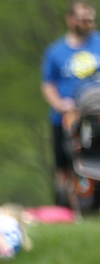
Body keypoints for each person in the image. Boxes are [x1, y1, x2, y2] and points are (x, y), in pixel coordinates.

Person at [42, 2, 100, 206]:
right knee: (65, 167)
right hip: (66, 119)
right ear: (71, 20)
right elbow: (48, 85)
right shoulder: (55, 52)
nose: (89, 24)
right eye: (84, 19)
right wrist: (60, 104)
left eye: (91, 19)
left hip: (96, 117)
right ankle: (65, 209)